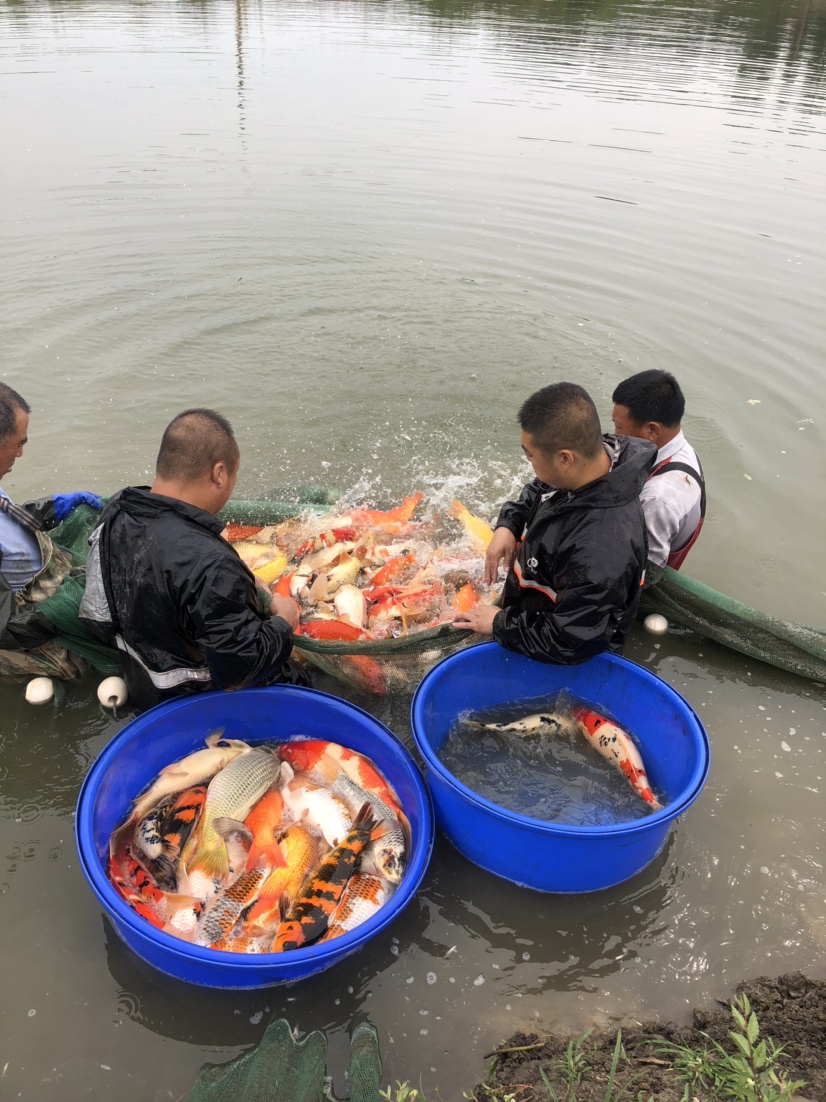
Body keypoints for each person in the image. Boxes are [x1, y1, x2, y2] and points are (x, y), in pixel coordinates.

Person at [80, 408, 302, 711]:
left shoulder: (117, 510)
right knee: (303, 678)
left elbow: (99, 616)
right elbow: (241, 669)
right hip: (193, 700)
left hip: (141, 682)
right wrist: (282, 622)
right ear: (219, 472)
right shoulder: (210, 562)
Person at [453, 382, 655, 664]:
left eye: (530, 455)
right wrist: (509, 524)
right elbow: (540, 488)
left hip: (567, 662)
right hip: (531, 616)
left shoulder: (599, 552)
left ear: (565, 459)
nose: (529, 463)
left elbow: (570, 642)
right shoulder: (595, 462)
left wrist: (499, 623)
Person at [0, 381, 102, 679]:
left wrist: (50, 509)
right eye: (17, 443)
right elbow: (3, 625)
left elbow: (7, 522)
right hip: (21, 624)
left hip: (48, 584)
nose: (20, 454)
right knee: (84, 666)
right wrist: (60, 614)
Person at [611, 369, 705, 585]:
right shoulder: (685, 451)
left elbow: (640, 575)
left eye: (619, 427)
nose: (614, 434)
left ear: (652, 430)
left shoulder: (657, 499)